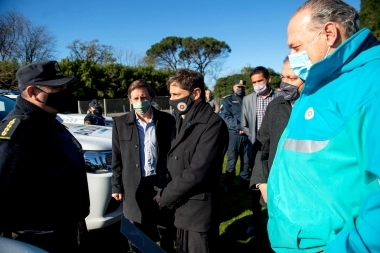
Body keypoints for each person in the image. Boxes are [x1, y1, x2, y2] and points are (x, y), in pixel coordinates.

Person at [267, 0, 380, 252]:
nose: (292, 57)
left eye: (296, 47)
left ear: (329, 33)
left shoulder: (373, 82)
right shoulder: (320, 81)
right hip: (296, 241)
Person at [0, 60, 90, 253]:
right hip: (38, 239)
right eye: (58, 87)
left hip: (69, 230)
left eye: (65, 85)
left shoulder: (49, 120)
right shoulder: (18, 133)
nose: (65, 90)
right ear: (32, 92)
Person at [153, 69, 229, 253]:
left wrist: (165, 197)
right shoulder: (181, 118)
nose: (172, 99)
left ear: (196, 93)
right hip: (181, 208)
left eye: (177, 94)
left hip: (197, 213)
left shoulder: (213, 125)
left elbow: (198, 171)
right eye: (171, 94)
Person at [111, 79, 176, 253]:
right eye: (136, 98)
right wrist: (116, 185)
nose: (140, 102)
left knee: (165, 227)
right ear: (130, 100)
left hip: (160, 182)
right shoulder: (120, 123)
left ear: (152, 97)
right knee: (137, 227)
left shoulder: (167, 120)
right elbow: (116, 157)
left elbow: (174, 154)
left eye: (144, 97)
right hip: (134, 184)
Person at [249, 58, 304, 206]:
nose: (285, 83)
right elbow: (261, 146)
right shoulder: (275, 106)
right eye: (283, 77)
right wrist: (261, 183)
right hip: (277, 188)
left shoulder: (320, 108)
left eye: (292, 78)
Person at [240, 67, 282, 235]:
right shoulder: (248, 100)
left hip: (278, 150)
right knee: (256, 186)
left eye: (260, 81)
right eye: (254, 82)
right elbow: (244, 124)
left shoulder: (280, 98)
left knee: (278, 185)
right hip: (256, 149)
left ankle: (278, 222)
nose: (257, 85)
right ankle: (256, 221)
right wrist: (256, 139)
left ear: (268, 79)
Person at [219, 79, 250, 193]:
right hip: (233, 135)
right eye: (238, 86)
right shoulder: (228, 100)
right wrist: (240, 127)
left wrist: (247, 128)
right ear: (233, 87)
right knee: (232, 161)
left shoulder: (249, 99)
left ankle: (245, 183)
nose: (240, 89)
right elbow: (226, 116)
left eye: (242, 87)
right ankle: (228, 184)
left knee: (246, 161)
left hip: (247, 136)